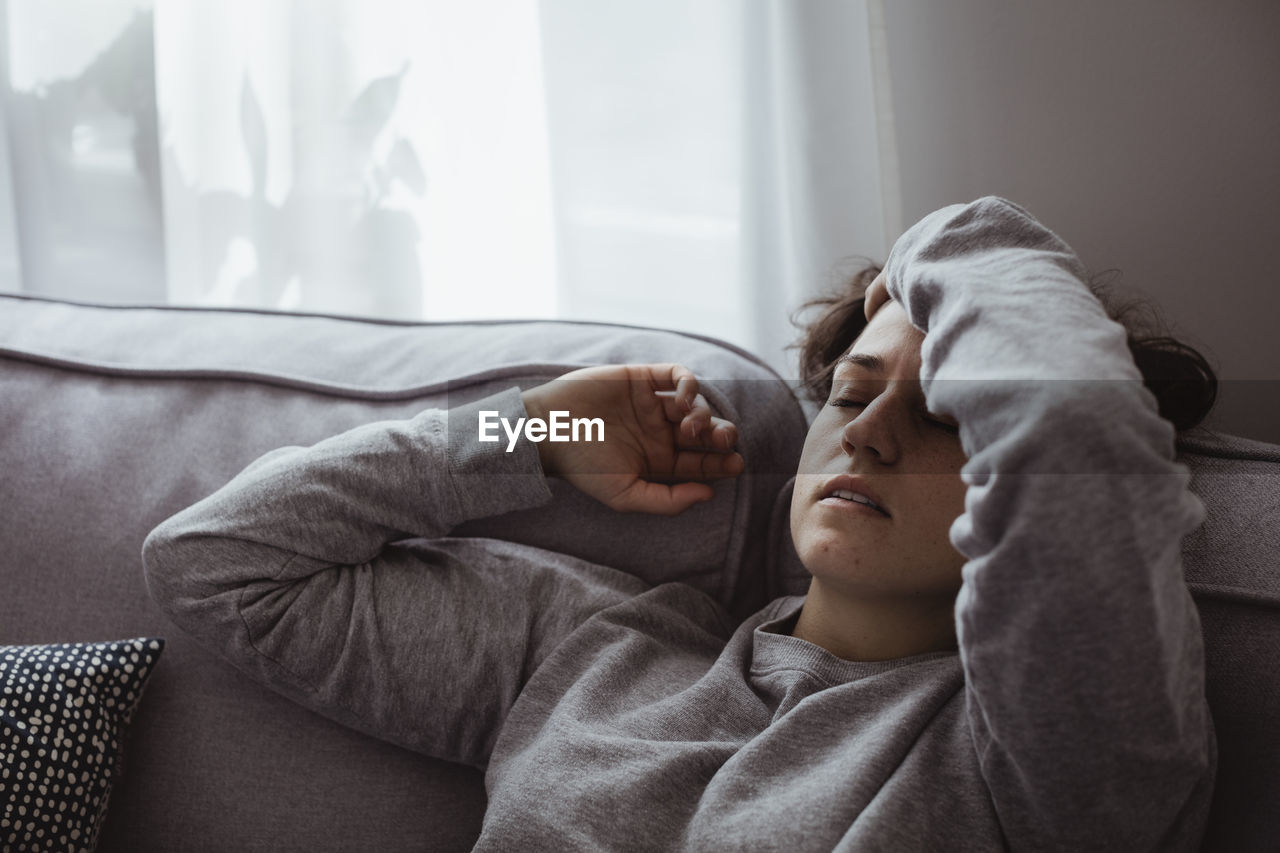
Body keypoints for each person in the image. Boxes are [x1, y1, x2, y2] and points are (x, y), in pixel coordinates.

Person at [143, 196, 1217, 851]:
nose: (871, 436)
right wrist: (531, 428)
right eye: (850, 391)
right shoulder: (595, 650)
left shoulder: (1051, 757)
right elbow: (219, 561)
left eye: (949, 412)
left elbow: (1076, 436)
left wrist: (949, 239)